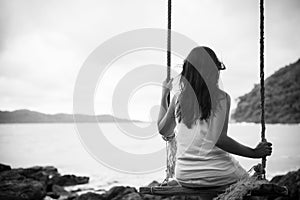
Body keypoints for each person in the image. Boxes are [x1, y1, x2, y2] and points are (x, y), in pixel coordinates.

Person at [157, 46, 272, 188]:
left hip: (185, 175)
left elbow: (163, 130)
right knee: (248, 181)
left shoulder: (178, 99)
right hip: (217, 173)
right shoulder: (221, 98)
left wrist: (164, 95)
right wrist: (254, 153)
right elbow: (219, 139)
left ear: (187, 72)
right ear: (214, 71)